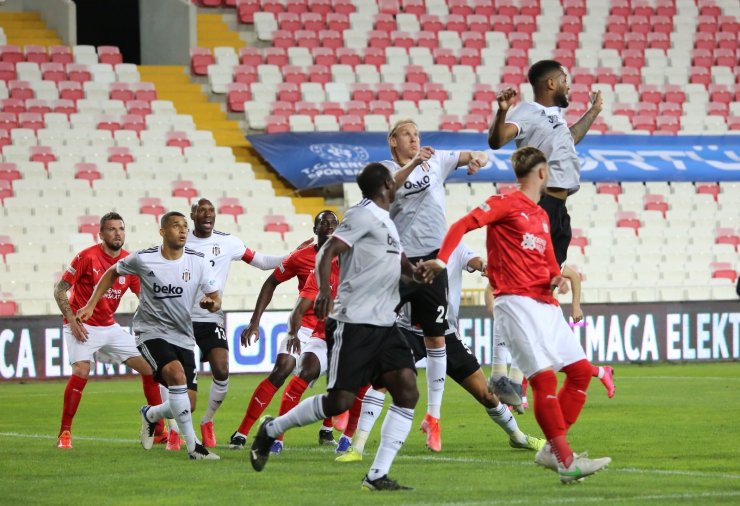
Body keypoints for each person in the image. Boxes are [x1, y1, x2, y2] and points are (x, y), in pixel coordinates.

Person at [420, 147, 611, 483]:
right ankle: (566, 460)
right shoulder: (503, 203)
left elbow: (551, 266)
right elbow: (462, 225)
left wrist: (557, 279)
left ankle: (552, 449)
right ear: (542, 173)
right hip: (516, 303)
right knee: (544, 380)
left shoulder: (541, 216)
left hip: (546, 305)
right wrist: (441, 258)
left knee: (580, 373)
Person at [249, 162, 420, 492]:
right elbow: (327, 250)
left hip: (385, 323)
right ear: (387, 183)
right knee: (339, 400)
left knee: (407, 390)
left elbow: (402, 267)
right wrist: (326, 291)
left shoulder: (388, 222)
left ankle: (376, 475)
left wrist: (419, 273)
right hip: (354, 322)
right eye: (394, 179)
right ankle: (271, 430)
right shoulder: (362, 214)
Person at [336, 242, 543, 463]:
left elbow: (478, 262)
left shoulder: (457, 247)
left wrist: (486, 266)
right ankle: (357, 447)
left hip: (447, 334)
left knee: (486, 394)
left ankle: (518, 437)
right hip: (408, 331)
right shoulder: (403, 247)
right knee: (381, 382)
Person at [77, 211, 222, 460]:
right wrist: (91, 304)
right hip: (150, 331)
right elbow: (112, 272)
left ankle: (151, 414)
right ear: (163, 232)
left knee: (189, 403)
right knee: (175, 375)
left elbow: (216, 298)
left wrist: (212, 304)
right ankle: (194, 448)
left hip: (183, 335)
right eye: (176, 226)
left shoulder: (198, 260)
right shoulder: (144, 259)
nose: (183, 230)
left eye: (185, 226)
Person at [384, 118, 489, 452]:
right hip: (399, 264)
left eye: (417, 134)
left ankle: (434, 417)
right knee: (374, 326)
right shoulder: (383, 168)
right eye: (407, 134)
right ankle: (347, 403)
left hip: (433, 261)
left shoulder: (437, 159)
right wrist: (415, 162)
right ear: (393, 141)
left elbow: (477, 153)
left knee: (436, 335)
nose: (414, 139)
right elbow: (389, 188)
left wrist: (476, 160)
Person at [229, 210, 340, 449]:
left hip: (332, 329)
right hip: (302, 326)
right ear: (315, 230)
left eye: (334, 223)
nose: (329, 227)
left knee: (335, 375)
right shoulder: (300, 258)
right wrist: (254, 322)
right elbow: (271, 282)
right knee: (282, 369)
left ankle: (327, 429)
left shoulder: (349, 258)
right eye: (324, 223)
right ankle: (242, 431)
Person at [53, 212, 163, 449]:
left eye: (121, 229)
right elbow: (60, 290)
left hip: (109, 326)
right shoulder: (86, 257)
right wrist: (71, 320)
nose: (117, 233)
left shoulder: (129, 262)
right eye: (112, 229)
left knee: (150, 368)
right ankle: (65, 433)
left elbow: (144, 297)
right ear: (101, 234)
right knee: (82, 370)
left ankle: (159, 431)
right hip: (81, 325)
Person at [184, 198, 287, 449]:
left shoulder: (227, 242)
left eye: (211, 211)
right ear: (192, 214)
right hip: (180, 318)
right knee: (180, 379)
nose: (208, 215)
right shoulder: (180, 240)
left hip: (210, 317)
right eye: (202, 211)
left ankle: (207, 421)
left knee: (221, 368)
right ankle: (176, 429)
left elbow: (261, 261)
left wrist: (293, 255)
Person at [488, 59, 603, 267]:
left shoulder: (554, 117)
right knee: (532, 269)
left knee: (552, 274)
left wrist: (594, 111)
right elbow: (497, 140)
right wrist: (502, 112)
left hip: (559, 206)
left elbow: (571, 137)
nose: (567, 86)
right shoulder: (528, 111)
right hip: (543, 203)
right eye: (564, 80)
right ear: (551, 83)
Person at [489, 265, 615, 407]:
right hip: (532, 314)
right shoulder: (520, 260)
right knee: (537, 356)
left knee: (544, 357)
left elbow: (573, 275)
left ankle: (519, 397)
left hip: (548, 315)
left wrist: (576, 306)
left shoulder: (545, 260)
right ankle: (602, 372)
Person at [268, 259, 340, 455]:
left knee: (352, 388)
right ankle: (277, 434)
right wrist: (293, 333)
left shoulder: (368, 268)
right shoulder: (322, 270)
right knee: (305, 371)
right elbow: (300, 308)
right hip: (325, 336)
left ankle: (348, 439)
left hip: (356, 339)